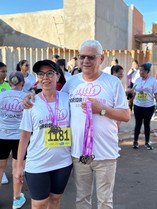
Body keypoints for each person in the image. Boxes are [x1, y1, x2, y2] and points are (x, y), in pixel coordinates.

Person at [22, 40, 130, 209]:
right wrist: (31, 95)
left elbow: (125, 115)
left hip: (106, 153)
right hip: (78, 154)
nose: (86, 61)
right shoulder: (72, 83)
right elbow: (51, 97)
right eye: (82, 57)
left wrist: (101, 109)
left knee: (105, 202)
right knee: (82, 200)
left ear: (101, 59)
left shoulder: (113, 82)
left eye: (91, 57)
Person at [15, 60, 72, 209]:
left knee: (55, 199)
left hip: (63, 162)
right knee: (39, 204)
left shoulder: (67, 98)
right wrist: (18, 166)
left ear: (58, 76)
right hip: (38, 162)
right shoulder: (32, 103)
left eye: (49, 73)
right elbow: (24, 136)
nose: (45, 78)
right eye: (41, 74)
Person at [0, 71, 27, 209]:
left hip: (2, 136)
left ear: (9, 83)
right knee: (18, 168)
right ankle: (16, 199)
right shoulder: (27, 98)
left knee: (0, 167)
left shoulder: (1, 95)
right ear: (22, 83)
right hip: (20, 138)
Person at [132, 62, 157, 150]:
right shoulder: (138, 80)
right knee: (138, 124)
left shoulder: (153, 81)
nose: (140, 72)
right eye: (139, 70)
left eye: (142, 71)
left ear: (147, 71)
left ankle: (147, 142)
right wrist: (131, 103)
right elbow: (134, 92)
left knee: (147, 124)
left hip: (149, 106)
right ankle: (135, 142)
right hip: (137, 105)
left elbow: (156, 94)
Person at [0, 62, 10, 185]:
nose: (5, 74)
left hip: (5, 124)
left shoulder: (7, 85)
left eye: (5, 71)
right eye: (3, 71)